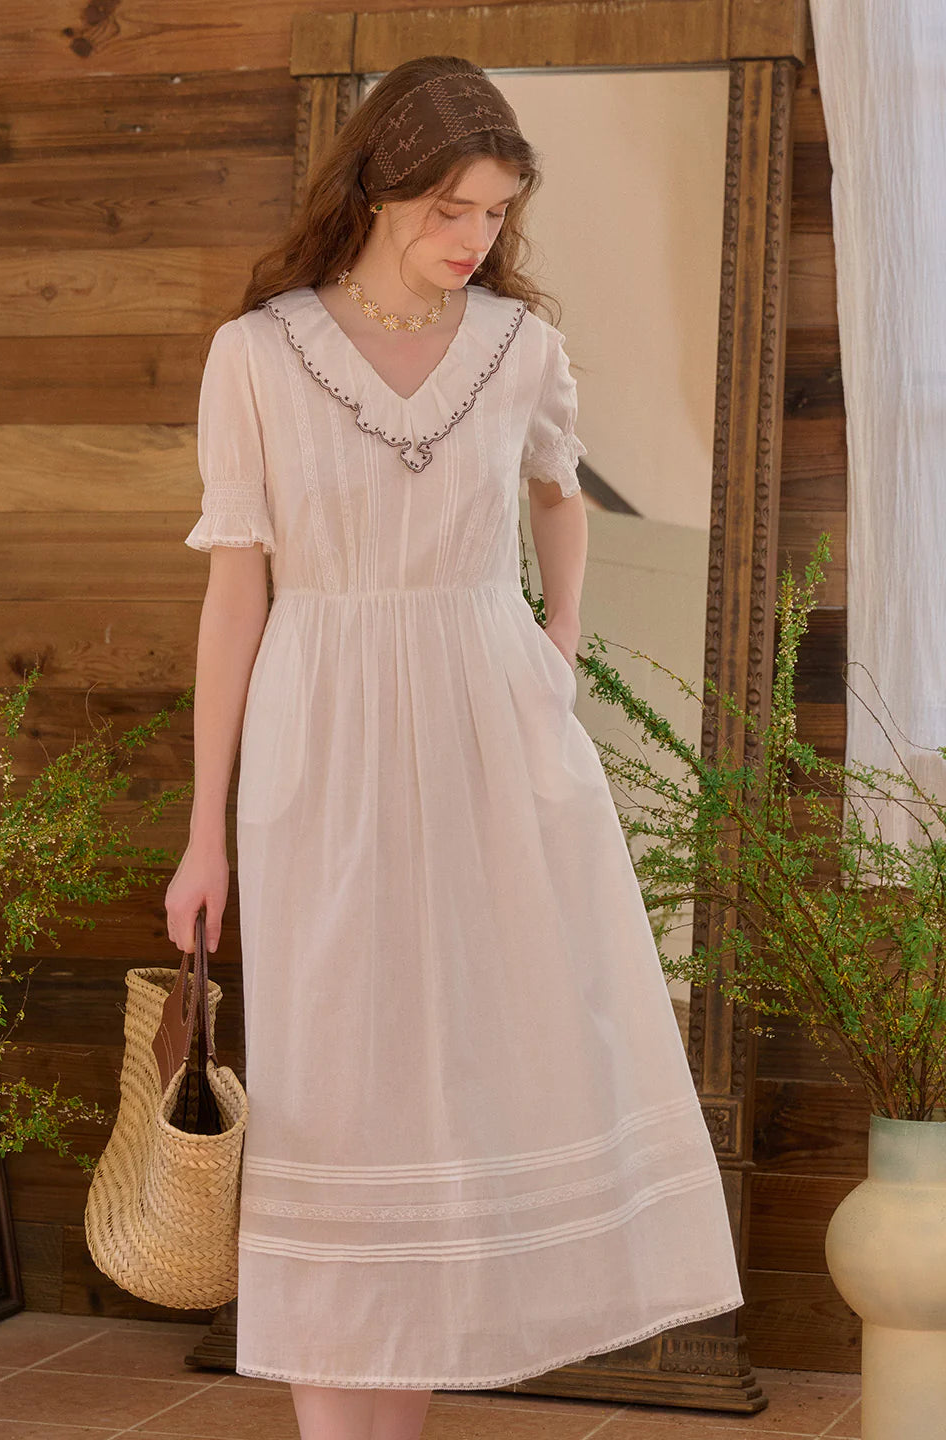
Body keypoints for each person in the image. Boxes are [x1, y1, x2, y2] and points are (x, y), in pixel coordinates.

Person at [165, 54, 743, 1440]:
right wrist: (203, 834)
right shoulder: (260, 354)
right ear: (379, 185)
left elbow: (561, 493)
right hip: (322, 740)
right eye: (450, 208)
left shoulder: (517, 347)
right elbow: (235, 593)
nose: (475, 237)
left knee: (481, 1072)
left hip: (492, 725)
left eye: (495, 211)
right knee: (341, 1092)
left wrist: (559, 640)